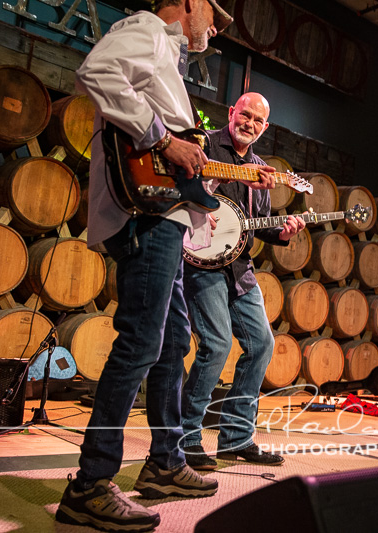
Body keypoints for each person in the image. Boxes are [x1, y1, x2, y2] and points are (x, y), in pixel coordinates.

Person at [54, 2, 249, 531]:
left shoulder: (169, 54)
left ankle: (164, 462)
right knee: (142, 340)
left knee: (173, 340)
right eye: (213, 12)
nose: (216, 27)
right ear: (188, 1)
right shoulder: (146, 29)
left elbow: (178, 154)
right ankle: (90, 484)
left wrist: (194, 181)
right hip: (146, 215)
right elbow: (97, 71)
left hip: (166, 214)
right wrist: (162, 139)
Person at [181, 93, 306, 469]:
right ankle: (185, 438)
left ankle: (236, 438)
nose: (249, 123)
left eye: (257, 120)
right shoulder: (205, 145)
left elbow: (257, 225)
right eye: (244, 115)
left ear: (265, 128)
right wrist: (209, 193)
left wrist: (283, 233)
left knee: (262, 345)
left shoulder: (261, 168)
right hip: (203, 263)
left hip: (240, 268)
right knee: (217, 345)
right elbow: (183, 191)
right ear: (231, 112)